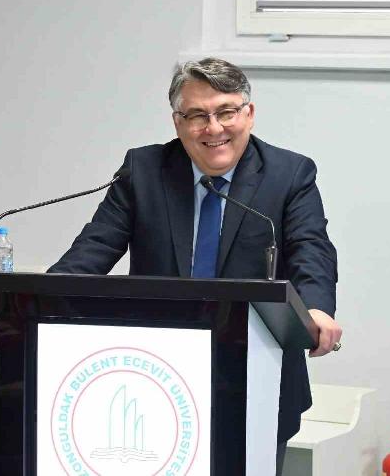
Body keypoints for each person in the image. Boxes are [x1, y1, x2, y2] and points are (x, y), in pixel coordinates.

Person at [49, 57, 342, 475]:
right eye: (198, 116)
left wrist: (316, 309)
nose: (214, 128)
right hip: (155, 374)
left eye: (226, 112)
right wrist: (41, 300)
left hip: (255, 373)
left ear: (249, 114)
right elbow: (94, 247)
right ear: (177, 122)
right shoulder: (143, 170)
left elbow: (311, 248)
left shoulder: (289, 173)